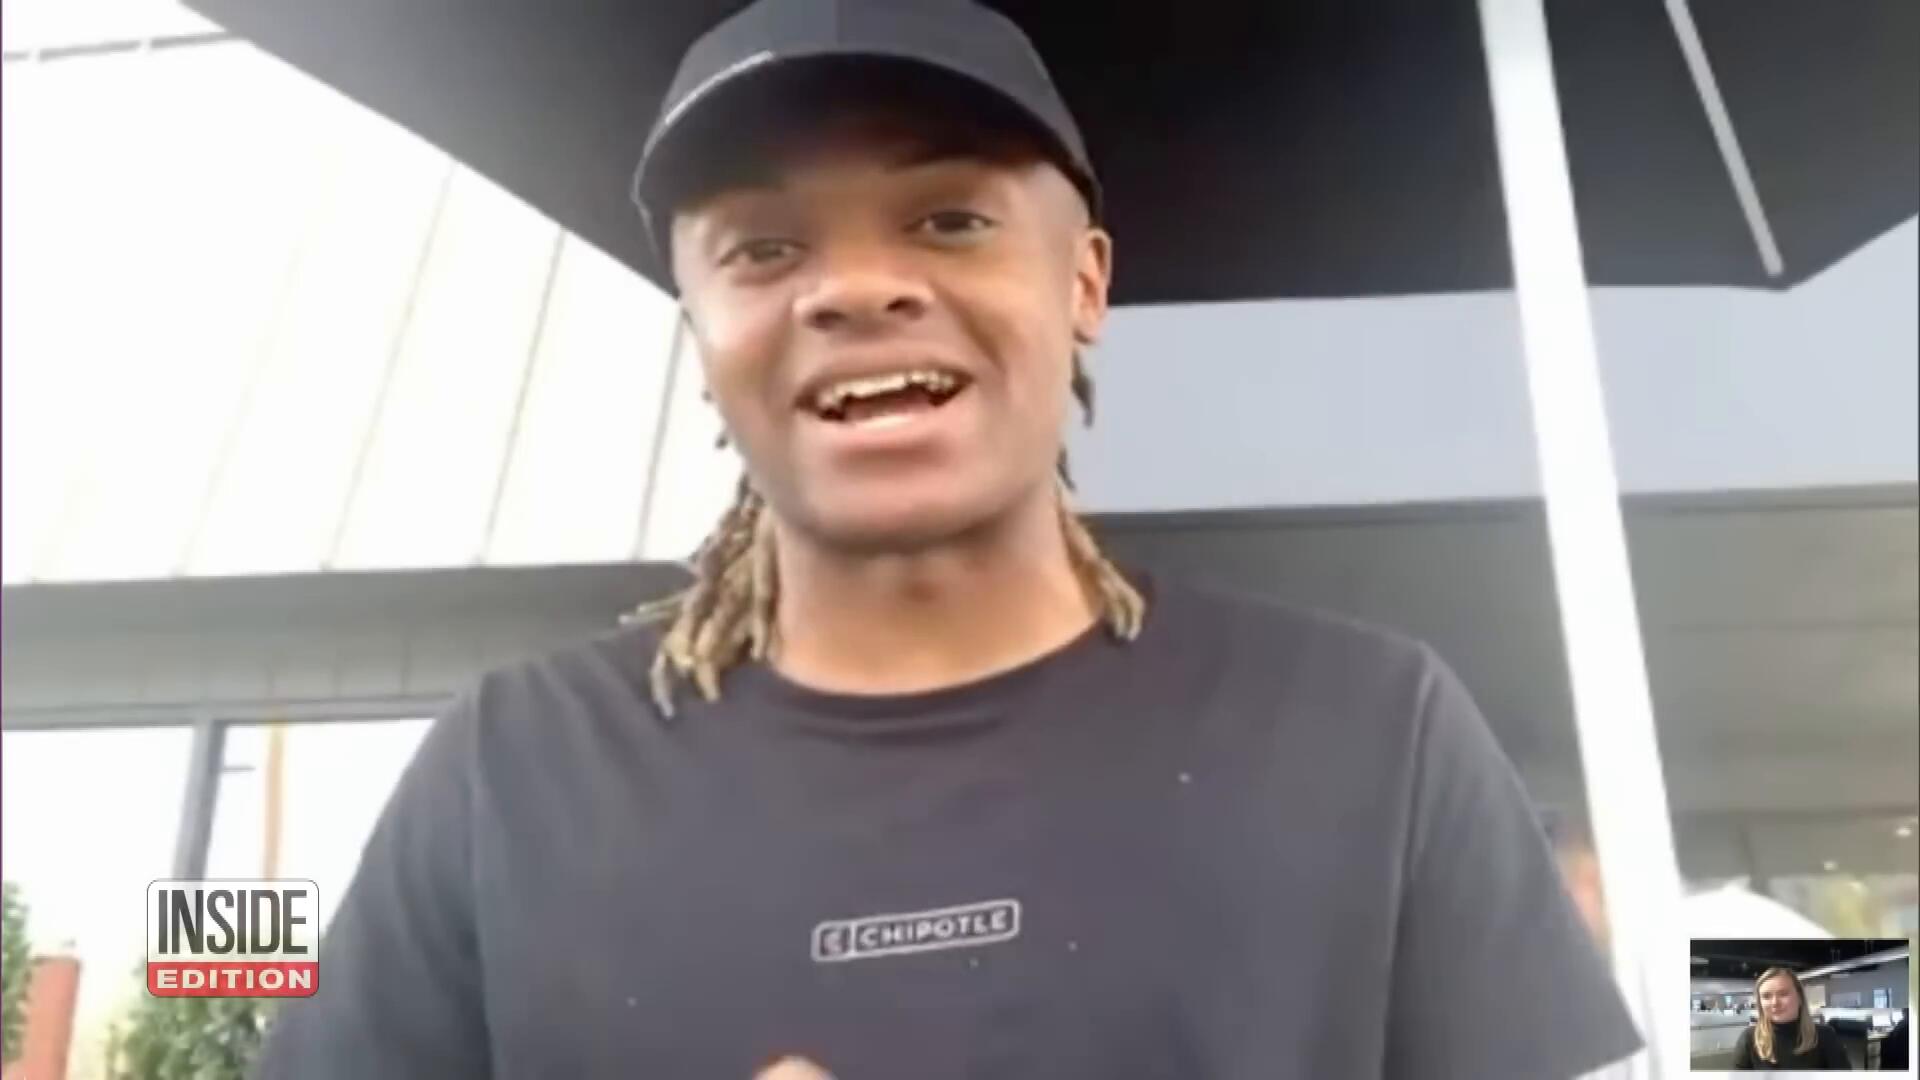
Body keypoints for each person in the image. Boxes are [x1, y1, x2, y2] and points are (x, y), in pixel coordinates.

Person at [255, 1, 1644, 1077]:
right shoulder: (509, 780)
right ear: (699, 327)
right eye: (761, 249)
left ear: (1084, 280)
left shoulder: (1372, 737)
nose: (857, 287)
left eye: (951, 219)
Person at [1730, 966, 1852, 1070]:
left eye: (1783, 994)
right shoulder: (1750, 1038)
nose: (1775, 1003)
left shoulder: (1825, 1036)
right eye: (1766, 996)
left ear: (1799, 997)